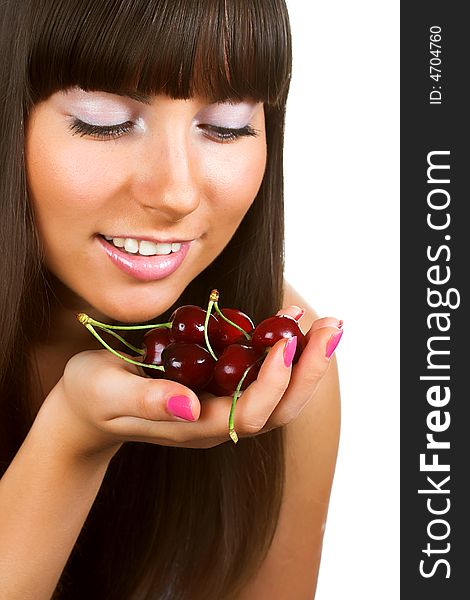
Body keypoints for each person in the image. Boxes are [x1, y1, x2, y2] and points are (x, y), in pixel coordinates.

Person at [0, 1, 342, 598]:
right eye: (103, 121)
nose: (177, 192)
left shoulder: (277, 363)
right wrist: (71, 441)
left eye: (227, 125)